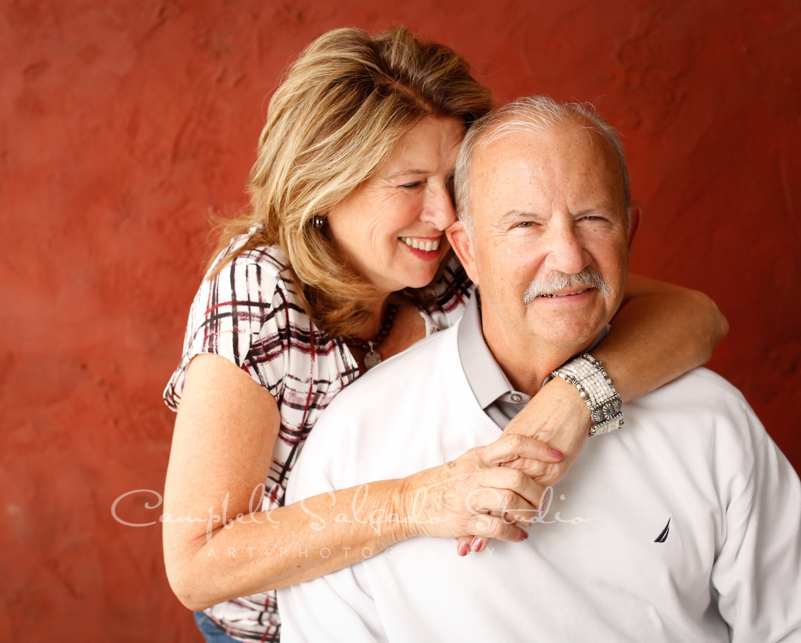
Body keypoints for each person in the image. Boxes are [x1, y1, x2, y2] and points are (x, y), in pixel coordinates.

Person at [162, 28, 729, 643]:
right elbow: (196, 564)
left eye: (451, 180)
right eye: (410, 185)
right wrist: (415, 502)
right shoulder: (258, 295)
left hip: (426, 597)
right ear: (324, 184)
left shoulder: (462, 256)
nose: (444, 214)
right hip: (275, 626)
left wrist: (574, 399)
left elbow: (697, 316)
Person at [278, 97, 801, 642]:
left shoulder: (712, 421)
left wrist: (578, 396)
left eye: (593, 219)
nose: (570, 258)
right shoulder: (354, 441)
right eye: (526, 224)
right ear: (468, 250)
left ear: (630, 231)